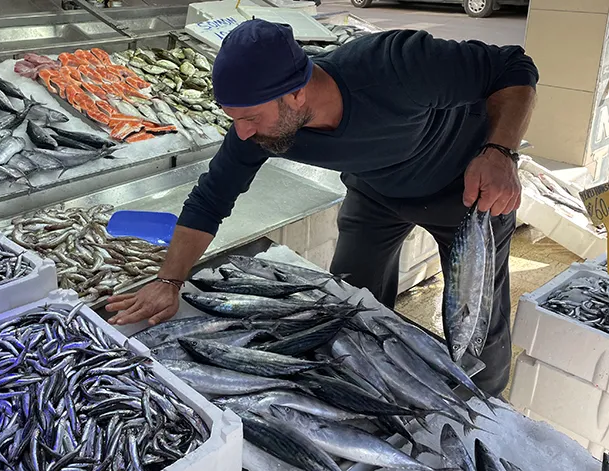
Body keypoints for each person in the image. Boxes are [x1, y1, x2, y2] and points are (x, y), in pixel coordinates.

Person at [106, 19, 538, 397]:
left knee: (474, 325)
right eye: (233, 117)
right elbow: (209, 200)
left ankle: (489, 414)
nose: (242, 131)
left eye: (251, 117)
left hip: (466, 192)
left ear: (295, 95)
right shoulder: (255, 131)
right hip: (376, 191)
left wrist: (500, 152)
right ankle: (372, 389)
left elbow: (513, 68)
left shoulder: (394, 64)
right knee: (348, 302)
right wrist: (169, 280)